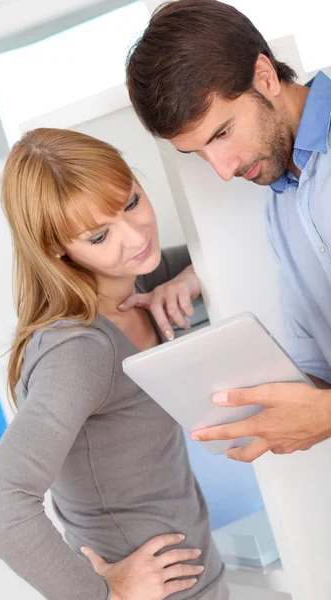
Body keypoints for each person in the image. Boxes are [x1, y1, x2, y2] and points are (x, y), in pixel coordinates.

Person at [0, 128, 229, 600]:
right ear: (55, 249)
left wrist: (191, 279)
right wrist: (102, 596)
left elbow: (228, 251)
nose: (135, 238)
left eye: (130, 202)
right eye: (99, 236)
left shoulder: (137, 277)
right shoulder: (78, 351)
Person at [125, 0, 331, 462]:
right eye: (196, 151)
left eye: (221, 134)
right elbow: (319, 370)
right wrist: (252, 410)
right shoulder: (284, 207)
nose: (222, 170)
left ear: (264, 76)